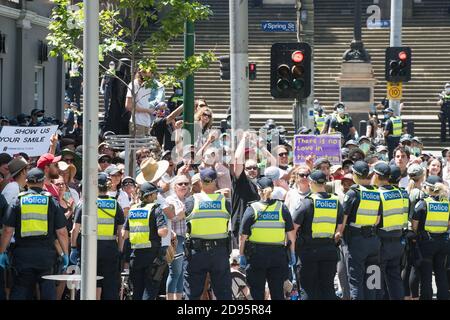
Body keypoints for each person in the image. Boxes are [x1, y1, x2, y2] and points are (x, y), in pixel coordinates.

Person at [0, 168, 69, 300]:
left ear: (27, 182)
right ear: (43, 182)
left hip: (22, 256)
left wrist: (1, 252)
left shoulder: (18, 200)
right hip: (46, 257)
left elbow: (8, 230)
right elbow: (61, 232)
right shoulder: (51, 201)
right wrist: (65, 254)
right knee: (48, 292)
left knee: (20, 291)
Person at [239, 176, 296, 300]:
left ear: (258, 190)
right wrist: (292, 253)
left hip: (256, 256)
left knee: (257, 293)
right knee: (277, 293)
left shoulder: (252, 209)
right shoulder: (281, 208)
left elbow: (243, 237)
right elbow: (291, 234)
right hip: (278, 256)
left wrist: (241, 254)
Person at [70, 173, 125, 300]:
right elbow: (121, 232)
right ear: (108, 187)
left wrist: (73, 248)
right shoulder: (115, 204)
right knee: (109, 285)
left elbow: (75, 229)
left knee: (86, 283)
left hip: (89, 249)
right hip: (110, 249)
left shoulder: (85, 204)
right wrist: (120, 250)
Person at [292, 170, 343, 300]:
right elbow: (339, 230)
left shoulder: (307, 202)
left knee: (308, 289)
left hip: (308, 252)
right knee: (327, 289)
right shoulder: (336, 201)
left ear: (311, 183)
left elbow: (293, 228)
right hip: (329, 251)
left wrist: (292, 249)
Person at [183, 168, 232, 300]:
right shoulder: (225, 201)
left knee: (192, 293)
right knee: (223, 293)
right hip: (219, 253)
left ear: (200, 182)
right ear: (215, 181)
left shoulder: (191, 201)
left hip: (197, 253)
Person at [342, 161, 381, 300]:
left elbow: (343, 218)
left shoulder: (353, 193)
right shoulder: (376, 192)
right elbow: (377, 219)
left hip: (356, 241)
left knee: (356, 281)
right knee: (372, 281)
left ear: (356, 175)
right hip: (373, 240)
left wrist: (339, 234)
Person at [122, 182, 168, 300]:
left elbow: (124, 234)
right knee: (150, 290)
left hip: (135, 256)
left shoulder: (132, 210)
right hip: (152, 257)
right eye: (155, 193)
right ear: (150, 195)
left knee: (137, 291)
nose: (157, 195)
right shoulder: (156, 209)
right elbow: (162, 232)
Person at [371, 162, 406, 300]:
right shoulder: (400, 192)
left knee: (375, 280)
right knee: (395, 279)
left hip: (381, 243)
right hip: (397, 242)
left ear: (377, 176)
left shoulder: (377, 194)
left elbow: (375, 220)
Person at [412, 175, 450, 300]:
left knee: (426, 274)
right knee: (441, 272)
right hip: (443, 242)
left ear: (428, 188)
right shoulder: (447, 203)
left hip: (427, 243)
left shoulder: (423, 203)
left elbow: (415, 226)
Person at [165, 175, 190, 300]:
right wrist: (187, 211)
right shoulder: (170, 200)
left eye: (186, 183)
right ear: (174, 187)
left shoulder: (188, 200)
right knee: (175, 272)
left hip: (185, 239)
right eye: (180, 184)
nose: (184, 186)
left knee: (181, 273)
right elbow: (175, 216)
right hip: (174, 239)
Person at [125, 69, 164, 136]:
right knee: (139, 146)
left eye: (148, 71)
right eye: (144, 71)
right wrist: (147, 110)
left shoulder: (153, 85)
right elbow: (128, 106)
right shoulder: (134, 84)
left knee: (148, 146)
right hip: (137, 123)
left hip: (149, 123)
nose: (146, 73)